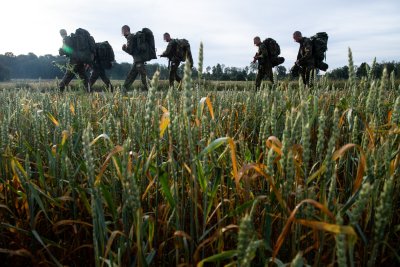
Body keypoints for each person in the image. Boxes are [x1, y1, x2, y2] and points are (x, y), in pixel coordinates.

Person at [121, 25, 148, 92]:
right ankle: (123, 91)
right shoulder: (132, 36)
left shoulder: (130, 37)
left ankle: (152, 91)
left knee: (143, 78)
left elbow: (130, 51)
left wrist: (124, 48)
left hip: (138, 61)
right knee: (131, 76)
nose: (122, 32)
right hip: (137, 60)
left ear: (125, 30)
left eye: (122, 31)